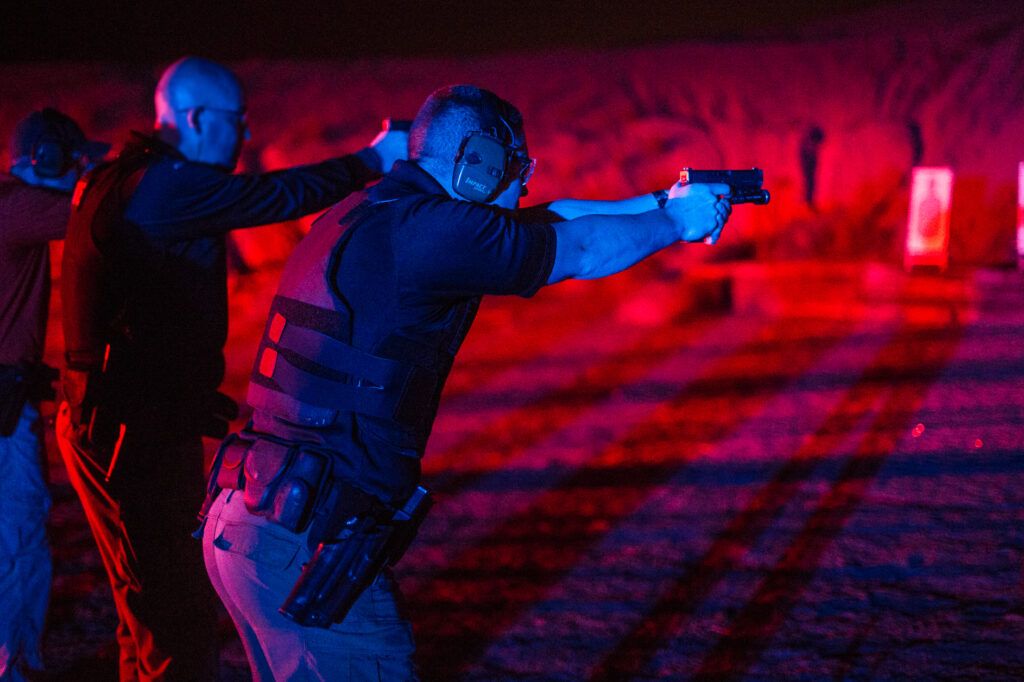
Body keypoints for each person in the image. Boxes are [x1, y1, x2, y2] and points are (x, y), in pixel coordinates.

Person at [200, 84, 731, 680]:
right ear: (476, 162)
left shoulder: (382, 213)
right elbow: (576, 248)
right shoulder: (429, 232)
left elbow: (554, 217)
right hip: (305, 536)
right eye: (514, 167)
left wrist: (664, 200)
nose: (522, 185)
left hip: (260, 521)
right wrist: (676, 225)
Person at [55, 56, 408, 682]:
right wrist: (373, 162)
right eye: (236, 121)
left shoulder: (134, 180)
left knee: (149, 603)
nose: (244, 136)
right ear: (193, 118)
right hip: (126, 432)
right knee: (175, 608)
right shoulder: (165, 186)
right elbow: (274, 196)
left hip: (127, 419)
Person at [0, 108, 108, 681]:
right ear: (46, 158)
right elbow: (100, 214)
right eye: (72, 160)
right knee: (17, 533)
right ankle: (14, 667)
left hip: (11, 395)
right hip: (3, 411)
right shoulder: (17, 208)